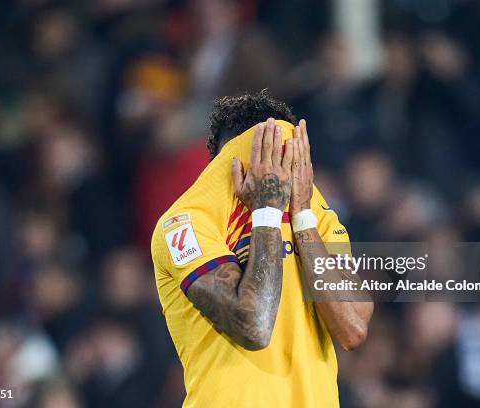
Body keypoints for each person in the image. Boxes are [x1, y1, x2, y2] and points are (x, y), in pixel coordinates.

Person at [151, 91, 373, 407]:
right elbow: (254, 326)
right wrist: (267, 212)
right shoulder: (183, 224)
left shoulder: (316, 215)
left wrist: (302, 217)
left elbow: (353, 327)